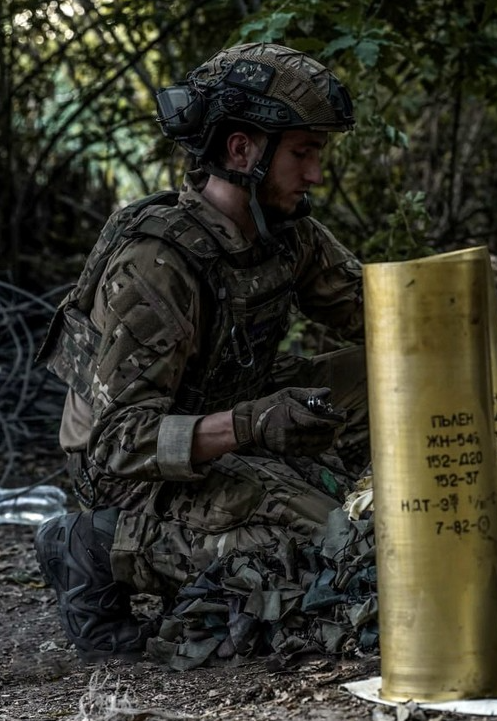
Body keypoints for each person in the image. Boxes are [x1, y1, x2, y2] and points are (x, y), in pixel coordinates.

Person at [34, 42, 368, 662]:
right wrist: (251, 424)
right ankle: (92, 546)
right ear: (242, 150)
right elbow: (119, 443)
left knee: (385, 375)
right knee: (334, 549)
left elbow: (376, 316)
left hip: (226, 420)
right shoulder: (156, 265)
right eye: (303, 153)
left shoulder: (285, 231)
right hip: (133, 482)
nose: (316, 174)